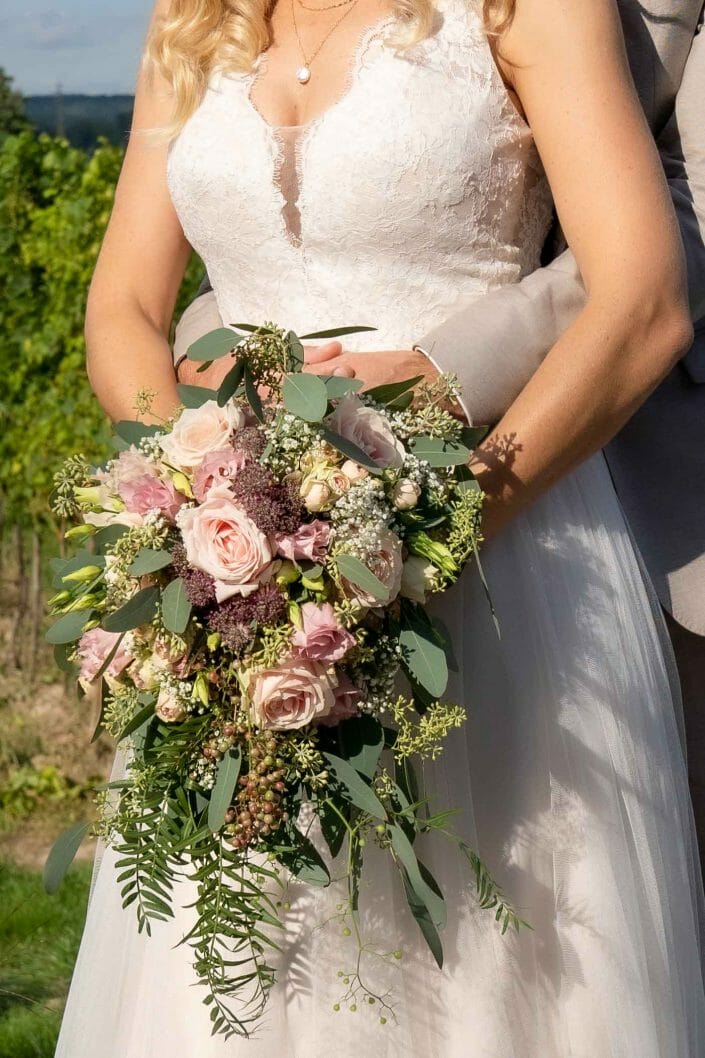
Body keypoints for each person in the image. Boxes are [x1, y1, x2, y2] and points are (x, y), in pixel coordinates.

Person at [55, 0, 705, 1055]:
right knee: (251, 978)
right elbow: (122, 305)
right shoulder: (193, 15)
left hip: (499, 563)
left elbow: (640, 298)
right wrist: (204, 492)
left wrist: (427, 537)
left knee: (495, 981)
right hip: (242, 591)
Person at [175, 1, 705, 874]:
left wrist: (437, 422)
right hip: (289, 510)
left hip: (583, 490)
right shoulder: (212, 20)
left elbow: (670, 245)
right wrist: (231, 375)